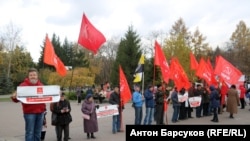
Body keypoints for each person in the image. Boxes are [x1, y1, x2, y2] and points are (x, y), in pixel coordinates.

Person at [11, 68, 46, 141]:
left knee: (38, 132)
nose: (33, 76)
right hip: (29, 113)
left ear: (37, 76)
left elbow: (46, 97)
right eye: (31, 75)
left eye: (34, 75)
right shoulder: (23, 86)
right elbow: (16, 99)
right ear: (28, 76)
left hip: (40, 113)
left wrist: (56, 94)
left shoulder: (41, 85)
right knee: (30, 132)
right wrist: (14, 97)